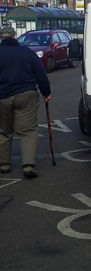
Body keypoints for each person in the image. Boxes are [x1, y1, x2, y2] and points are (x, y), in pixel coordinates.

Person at [0, 26, 51, 179]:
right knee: (27, 131)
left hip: (2, 96)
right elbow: (41, 74)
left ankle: (4, 165)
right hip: (26, 95)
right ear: (15, 37)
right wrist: (46, 92)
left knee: (4, 131)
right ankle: (28, 165)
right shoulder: (27, 53)